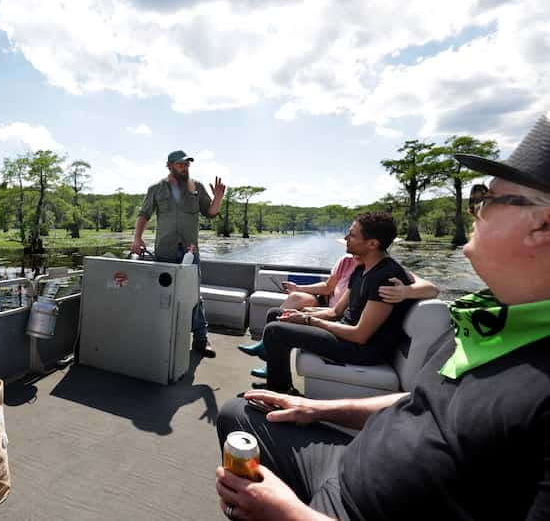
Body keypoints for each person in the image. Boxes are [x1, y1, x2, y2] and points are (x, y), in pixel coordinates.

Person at [215, 113, 550, 520]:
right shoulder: (484, 320)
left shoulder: (538, 389)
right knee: (240, 412)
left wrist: (288, 515)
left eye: (485, 200)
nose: (473, 210)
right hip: (356, 462)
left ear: (542, 226)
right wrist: (315, 409)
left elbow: (360, 332)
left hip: (357, 503)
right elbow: (421, 399)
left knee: (277, 337)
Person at [253, 212, 439, 392]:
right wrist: (303, 314)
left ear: (373, 244)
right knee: (276, 314)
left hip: (362, 350)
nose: (345, 237)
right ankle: (277, 380)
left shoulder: (386, 278)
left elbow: (360, 335)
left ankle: (279, 392)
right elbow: (335, 312)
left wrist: (310, 321)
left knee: (275, 331)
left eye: (352, 235)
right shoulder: (360, 270)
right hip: (345, 331)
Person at [132, 150, 226, 358]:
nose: (185, 168)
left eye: (187, 164)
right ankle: (159, 336)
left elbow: (210, 213)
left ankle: (201, 340)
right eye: (181, 164)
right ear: (170, 165)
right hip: (164, 251)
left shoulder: (197, 188)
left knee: (193, 296)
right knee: (162, 295)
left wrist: (218, 198)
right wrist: (137, 239)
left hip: (190, 253)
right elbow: (143, 214)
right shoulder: (155, 189)